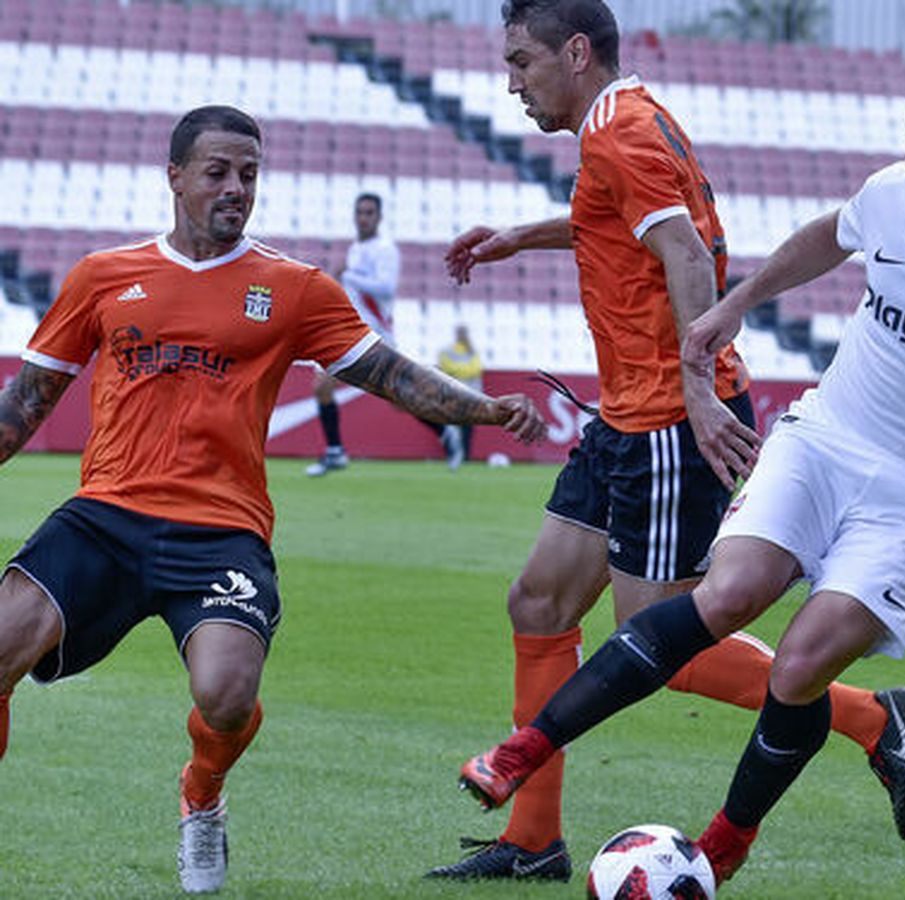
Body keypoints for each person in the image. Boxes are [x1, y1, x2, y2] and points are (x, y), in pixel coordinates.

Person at [452, 71, 905, 886]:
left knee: (797, 669)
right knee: (723, 596)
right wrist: (739, 301)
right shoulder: (897, 193)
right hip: (825, 439)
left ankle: (725, 845)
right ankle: (522, 751)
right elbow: (832, 234)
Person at [426, 0, 905, 881]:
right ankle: (532, 841)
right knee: (539, 605)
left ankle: (873, 720)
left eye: (521, 62)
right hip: (628, 411)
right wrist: (523, 236)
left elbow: (690, 258)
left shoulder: (620, 133)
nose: (511, 84)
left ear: (575, 52)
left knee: (657, 641)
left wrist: (696, 393)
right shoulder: (629, 120)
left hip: (665, 414)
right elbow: (618, 221)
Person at [0, 105, 544, 894]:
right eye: (218, 172)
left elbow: (388, 372)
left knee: (226, 697)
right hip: (108, 514)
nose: (235, 188)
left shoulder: (293, 288)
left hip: (220, 529)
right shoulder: (101, 277)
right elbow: (24, 407)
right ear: (176, 176)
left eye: (249, 174)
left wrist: (485, 409)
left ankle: (202, 794)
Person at [304, 193, 467, 475]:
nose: (363, 218)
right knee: (322, 387)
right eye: (360, 212)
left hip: (376, 335)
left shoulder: (384, 249)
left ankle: (446, 433)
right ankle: (335, 452)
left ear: (379, 217)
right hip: (349, 334)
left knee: (401, 400)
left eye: (369, 213)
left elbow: (386, 288)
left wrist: (348, 274)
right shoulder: (355, 249)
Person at [437, 324, 485, 466]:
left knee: (467, 427)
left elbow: (476, 369)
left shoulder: (473, 351)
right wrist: (465, 369)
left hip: (470, 396)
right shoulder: (447, 350)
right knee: (451, 427)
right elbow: (447, 367)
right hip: (453, 395)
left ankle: (465, 456)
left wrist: (459, 370)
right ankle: (452, 455)